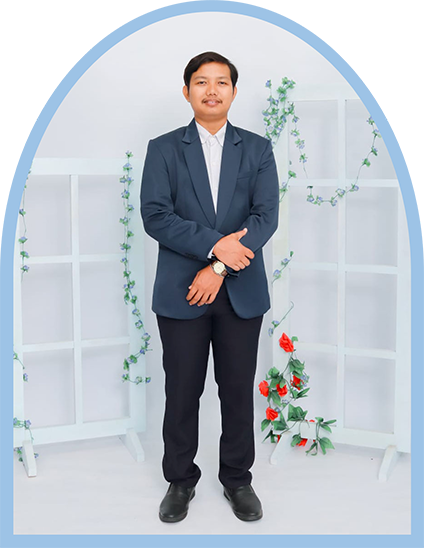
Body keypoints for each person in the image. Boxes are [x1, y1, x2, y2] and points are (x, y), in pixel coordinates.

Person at [140, 51, 279, 523]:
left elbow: (265, 217)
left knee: (237, 391)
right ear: (187, 91)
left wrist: (217, 268)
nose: (212, 90)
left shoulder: (257, 149)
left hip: (240, 293)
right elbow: (156, 215)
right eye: (202, 82)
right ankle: (180, 480)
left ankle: (237, 480)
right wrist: (217, 247)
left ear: (234, 92)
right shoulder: (163, 149)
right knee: (182, 391)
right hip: (182, 291)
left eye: (222, 82)